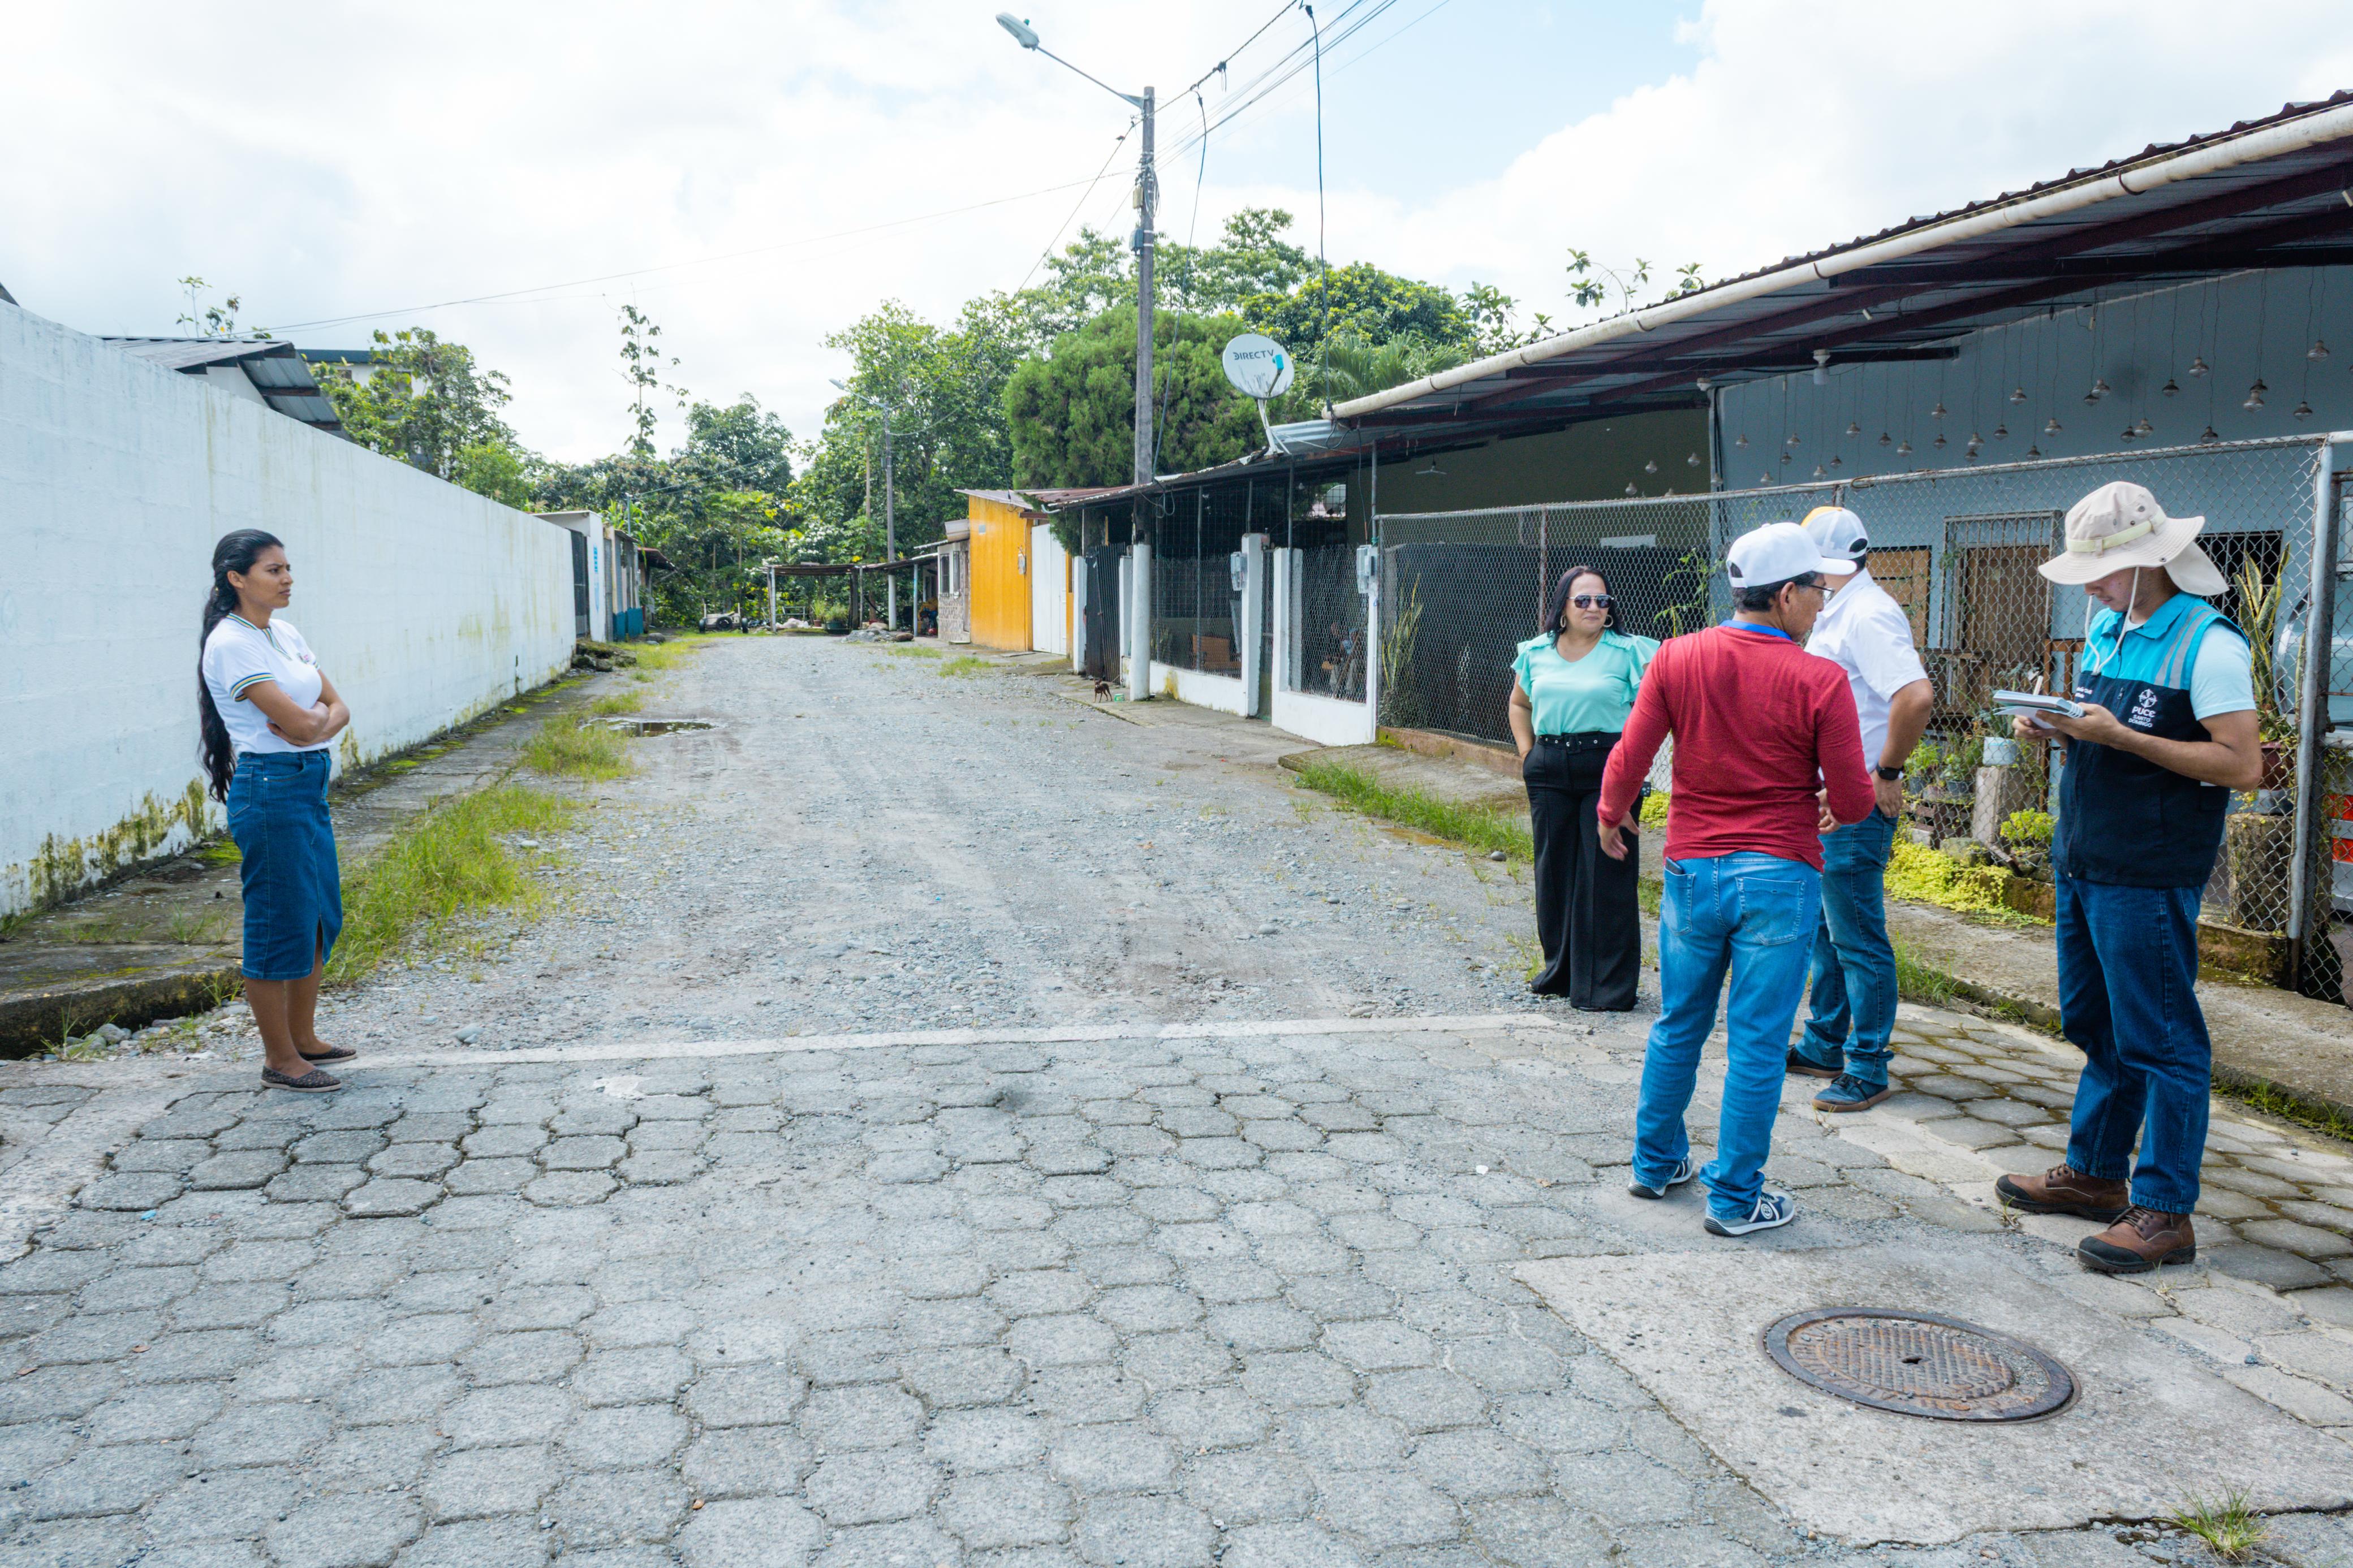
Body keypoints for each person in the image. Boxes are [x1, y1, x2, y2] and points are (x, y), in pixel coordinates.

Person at [1997, 482, 2261, 1273]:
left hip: (2147, 869)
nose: (2089, 590)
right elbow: (2103, 734)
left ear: (2150, 562)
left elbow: (2241, 764)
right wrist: (2056, 729)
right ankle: (2096, 1173)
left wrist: (2123, 738)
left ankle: (2165, 1211)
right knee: (2096, 1025)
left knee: (2163, 1040)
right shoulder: (2109, 630)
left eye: (2100, 573)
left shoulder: (2209, 644)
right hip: (2085, 858)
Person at [1597, 522, 1877, 1236]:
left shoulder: (1676, 657)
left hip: (1692, 870)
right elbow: (1853, 801)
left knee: (1677, 1024)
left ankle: (1654, 1164)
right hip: (1779, 876)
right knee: (1755, 1042)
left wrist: (1609, 813)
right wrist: (1832, 801)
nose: (1820, 603)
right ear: (1783, 595)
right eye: (1815, 590)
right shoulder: (1818, 678)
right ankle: (1733, 1200)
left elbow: (1631, 753)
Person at [1785, 507, 1934, 1112]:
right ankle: (1824, 1043)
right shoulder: (1837, 610)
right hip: (1830, 798)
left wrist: (1885, 773)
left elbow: (1915, 696)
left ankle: (1868, 1065)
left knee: (1856, 937)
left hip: (1855, 803)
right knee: (1828, 929)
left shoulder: (1867, 614)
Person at [199, 529, 356, 1094]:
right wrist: (312, 724)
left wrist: (316, 724)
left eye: (288, 568)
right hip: (270, 789)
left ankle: (305, 1038)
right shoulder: (231, 643)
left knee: (317, 913)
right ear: (236, 578)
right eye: (273, 570)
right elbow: (297, 722)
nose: (287, 579)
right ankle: (279, 1058)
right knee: (276, 921)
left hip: (307, 782)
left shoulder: (284, 632)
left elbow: (336, 707)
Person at [1507, 565, 1660, 1009]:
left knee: (1606, 873)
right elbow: (1519, 703)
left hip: (1609, 767)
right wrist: (1528, 755)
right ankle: (1562, 973)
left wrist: (1629, 782)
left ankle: (1606, 987)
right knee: (1553, 872)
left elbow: (1649, 718)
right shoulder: (1536, 651)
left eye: (1602, 600)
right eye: (1583, 600)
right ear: (1563, 606)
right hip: (1549, 765)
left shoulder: (1630, 652)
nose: (1594, 607)